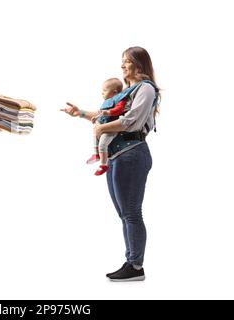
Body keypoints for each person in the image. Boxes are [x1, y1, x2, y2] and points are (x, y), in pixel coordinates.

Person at [61, 46, 160, 281]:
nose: (123, 66)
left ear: (139, 63)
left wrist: (102, 128)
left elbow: (132, 122)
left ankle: (135, 266)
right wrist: (81, 113)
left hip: (132, 154)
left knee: (132, 213)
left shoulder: (145, 89)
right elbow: (105, 116)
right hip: (118, 157)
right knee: (125, 213)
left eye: (127, 61)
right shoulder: (127, 92)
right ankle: (132, 262)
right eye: (122, 61)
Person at [87, 78, 128, 176]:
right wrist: (96, 118)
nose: (102, 93)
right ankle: (96, 154)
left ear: (114, 92)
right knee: (95, 135)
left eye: (105, 90)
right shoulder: (107, 102)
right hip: (102, 125)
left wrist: (109, 112)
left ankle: (103, 164)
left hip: (110, 128)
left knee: (103, 144)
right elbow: (101, 113)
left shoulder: (119, 99)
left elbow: (119, 110)